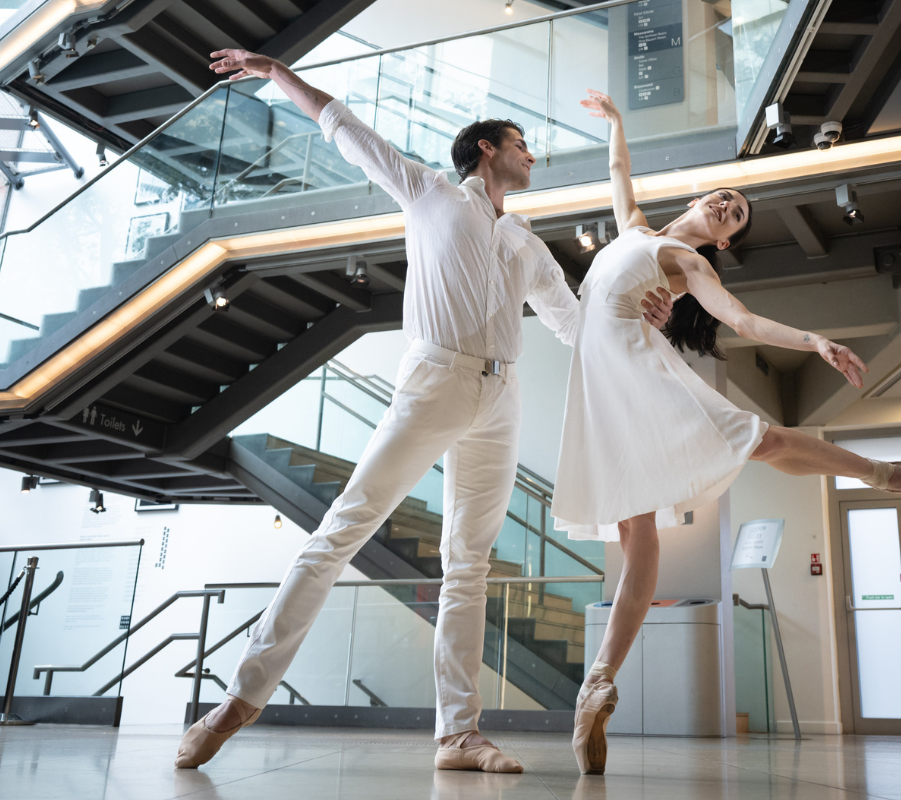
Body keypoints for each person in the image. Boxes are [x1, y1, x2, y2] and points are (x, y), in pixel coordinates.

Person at [174, 53, 675, 773]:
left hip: (502, 397)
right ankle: (240, 699)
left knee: (468, 564)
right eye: (521, 143)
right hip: (433, 381)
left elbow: (576, 324)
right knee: (341, 530)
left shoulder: (527, 243)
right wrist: (273, 69)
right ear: (486, 150)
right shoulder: (429, 191)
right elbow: (336, 121)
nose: (532, 154)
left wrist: (645, 313)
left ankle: (457, 736)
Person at [552, 90, 901, 775]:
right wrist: (617, 124)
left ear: (725, 237)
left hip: (642, 377)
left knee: (761, 440)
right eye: (726, 196)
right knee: (635, 536)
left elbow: (745, 323)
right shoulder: (636, 231)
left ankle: (883, 474)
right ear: (704, 196)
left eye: (735, 214)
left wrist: (815, 341)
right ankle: (598, 684)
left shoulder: (691, 263)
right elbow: (619, 178)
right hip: (601, 392)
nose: (727, 206)